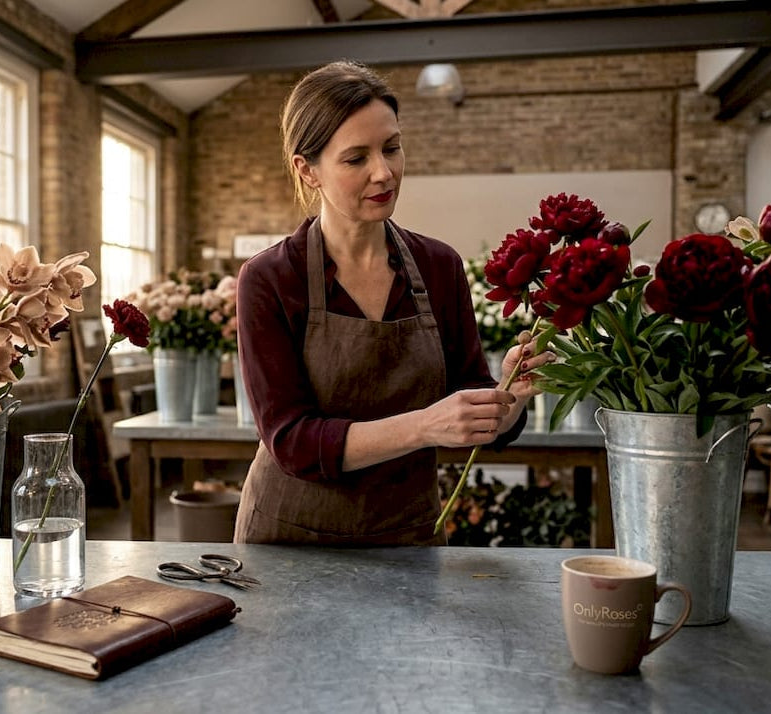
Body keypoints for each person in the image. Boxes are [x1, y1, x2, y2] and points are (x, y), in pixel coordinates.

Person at [234, 61, 551, 546]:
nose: (384, 172)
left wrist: (508, 395)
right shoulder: (270, 278)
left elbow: (477, 418)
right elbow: (292, 442)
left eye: (392, 148)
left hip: (407, 539)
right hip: (290, 543)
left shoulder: (439, 266)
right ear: (308, 170)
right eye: (355, 158)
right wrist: (425, 426)